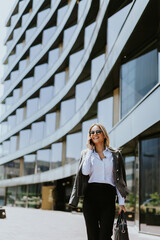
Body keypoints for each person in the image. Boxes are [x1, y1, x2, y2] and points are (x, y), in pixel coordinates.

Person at [69, 123, 129, 240]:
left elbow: (120, 179)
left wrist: (121, 202)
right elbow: (85, 172)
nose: (95, 134)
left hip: (108, 196)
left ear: (104, 135)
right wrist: (90, 150)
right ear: (90, 136)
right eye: (92, 133)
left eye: (98, 131)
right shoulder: (86, 154)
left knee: (105, 235)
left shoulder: (115, 154)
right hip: (90, 197)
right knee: (92, 235)